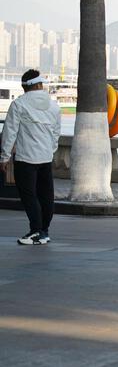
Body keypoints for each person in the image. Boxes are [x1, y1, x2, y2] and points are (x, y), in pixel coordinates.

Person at [0, 70, 61, 246]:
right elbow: (56, 133)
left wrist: (4, 157)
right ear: (40, 85)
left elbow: (9, 133)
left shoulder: (19, 104)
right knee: (46, 195)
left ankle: (35, 231)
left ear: (25, 86)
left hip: (25, 158)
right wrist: (50, 150)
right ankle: (44, 231)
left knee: (29, 195)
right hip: (45, 157)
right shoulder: (54, 106)